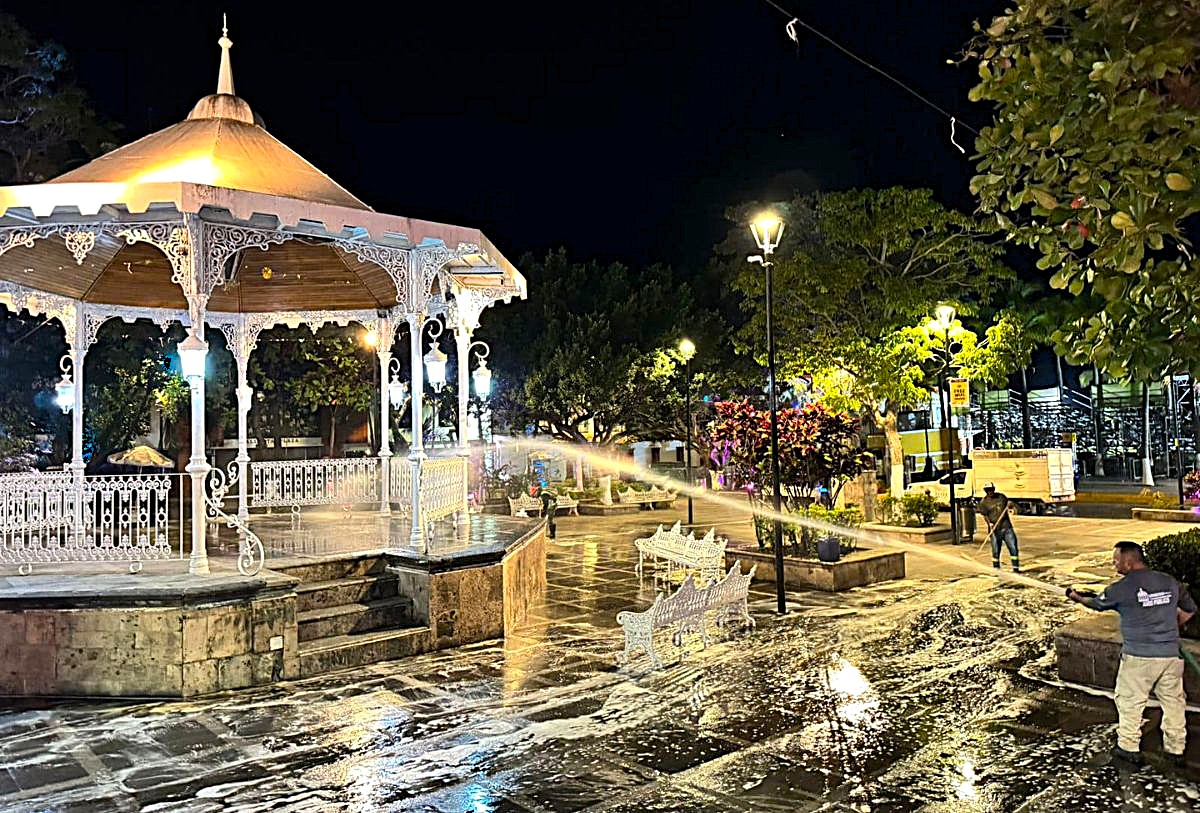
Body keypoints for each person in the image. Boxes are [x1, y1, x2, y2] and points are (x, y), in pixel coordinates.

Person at [1067, 541, 1197, 766]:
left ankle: (1128, 747)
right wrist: (1171, 627)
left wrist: (1076, 597)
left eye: (1116, 560)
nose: (1113, 564)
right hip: (1170, 655)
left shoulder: (1121, 588)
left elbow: (1097, 604)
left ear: (1128, 561)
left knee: (1130, 701)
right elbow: (1189, 610)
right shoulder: (1168, 581)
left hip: (1140, 658)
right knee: (1174, 703)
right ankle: (1176, 749)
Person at [975, 482, 1019, 572]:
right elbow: (985, 515)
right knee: (995, 551)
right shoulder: (983, 503)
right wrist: (990, 524)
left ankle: (1016, 568)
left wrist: (1011, 504)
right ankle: (996, 569)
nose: (989, 492)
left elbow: (1010, 504)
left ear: (994, 489)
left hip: (1007, 528)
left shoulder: (1001, 497)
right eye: (987, 490)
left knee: (1013, 548)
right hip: (994, 530)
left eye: (991, 489)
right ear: (985, 491)